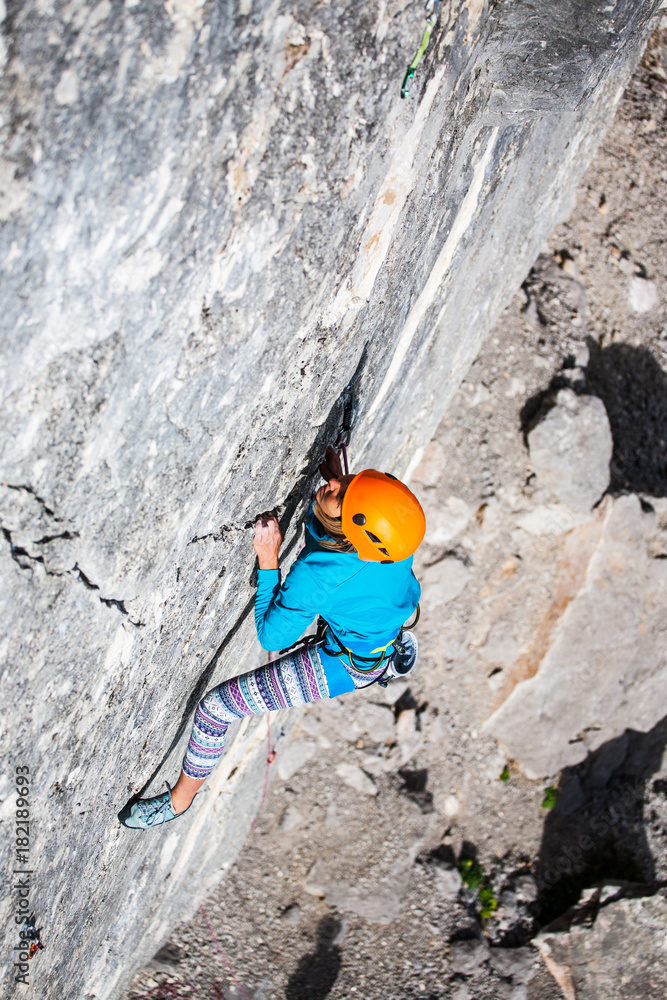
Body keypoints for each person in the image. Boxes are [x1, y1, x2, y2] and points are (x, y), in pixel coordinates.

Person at [118, 447, 425, 830]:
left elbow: (271, 635)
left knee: (218, 709)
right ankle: (385, 659)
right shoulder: (393, 537)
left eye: (342, 493)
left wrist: (268, 558)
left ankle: (179, 803)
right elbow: (355, 532)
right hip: (378, 632)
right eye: (346, 482)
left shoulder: (320, 574)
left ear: (351, 529)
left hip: (343, 665)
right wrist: (341, 490)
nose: (333, 483)